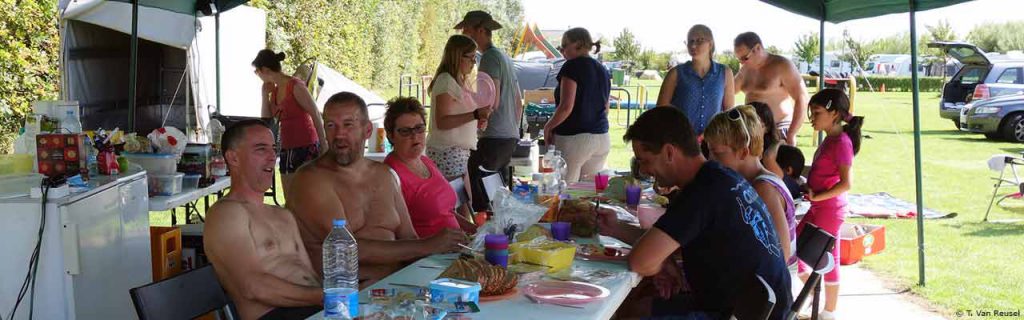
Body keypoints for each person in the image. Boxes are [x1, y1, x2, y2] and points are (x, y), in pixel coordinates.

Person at [601, 107, 792, 319]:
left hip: (738, 314)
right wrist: (615, 228)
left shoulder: (702, 192)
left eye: (645, 160)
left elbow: (641, 262)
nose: (644, 170)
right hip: (756, 308)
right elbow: (660, 243)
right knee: (637, 299)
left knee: (630, 308)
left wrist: (661, 260)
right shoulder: (719, 178)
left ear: (669, 152)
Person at [287, 92, 467, 286]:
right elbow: (345, 250)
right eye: (331, 125)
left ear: (367, 130)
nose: (339, 134)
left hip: (399, 286)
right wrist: (428, 245)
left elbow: (409, 238)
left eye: (348, 124)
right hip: (345, 294)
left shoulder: (385, 175)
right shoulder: (312, 179)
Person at [204, 120, 321, 320]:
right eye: (261, 149)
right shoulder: (226, 214)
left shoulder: (283, 215)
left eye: (273, 149)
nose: (272, 157)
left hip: (318, 308)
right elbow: (252, 287)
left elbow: (310, 275)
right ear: (233, 158)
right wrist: (326, 297)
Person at [798, 88, 864, 320]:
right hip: (819, 206)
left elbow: (846, 183)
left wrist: (818, 197)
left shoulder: (842, 142)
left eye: (816, 112)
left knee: (828, 258)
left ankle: (828, 312)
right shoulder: (829, 139)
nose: (812, 118)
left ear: (834, 113)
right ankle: (811, 300)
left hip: (829, 210)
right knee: (799, 247)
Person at [704, 105, 796, 266]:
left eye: (717, 153)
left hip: (771, 285)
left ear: (743, 152)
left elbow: (781, 255)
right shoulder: (747, 182)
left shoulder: (763, 189)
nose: (710, 159)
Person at [457, 10, 524, 212]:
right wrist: (513, 130)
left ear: (479, 30)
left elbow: (490, 100)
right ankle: (498, 235)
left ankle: (484, 233)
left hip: (494, 137)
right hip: (508, 136)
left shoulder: (489, 58)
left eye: (467, 31)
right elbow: (518, 102)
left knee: (482, 193)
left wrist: (479, 121)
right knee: (497, 197)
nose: (464, 35)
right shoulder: (504, 57)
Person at [382, 97, 477, 237]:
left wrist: (475, 230)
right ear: (391, 136)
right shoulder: (390, 174)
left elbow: (446, 212)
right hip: (429, 255)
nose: (415, 136)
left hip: (457, 247)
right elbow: (398, 234)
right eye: (405, 131)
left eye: (419, 128)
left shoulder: (426, 161)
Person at [253, 49, 328, 198]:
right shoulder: (274, 91)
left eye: (257, 72)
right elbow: (267, 121)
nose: (257, 76)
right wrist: (264, 95)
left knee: (308, 195)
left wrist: (324, 144)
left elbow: (315, 114)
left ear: (265, 70)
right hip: (287, 147)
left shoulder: (295, 85)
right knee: (290, 197)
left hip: (306, 145)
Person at [543, 27, 611, 183]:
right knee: (589, 193)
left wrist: (548, 127)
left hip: (575, 139)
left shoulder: (572, 66)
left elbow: (566, 106)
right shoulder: (602, 69)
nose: (561, 50)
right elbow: (606, 107)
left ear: (578, 44)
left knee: (565, 191)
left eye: (564, 45)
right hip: (602, 137)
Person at [426, 35, 494, 181]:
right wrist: (475, 115)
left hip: (458, 153)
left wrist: (477, 120)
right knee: (461, 202)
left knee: (465, 202)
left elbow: (461, 116)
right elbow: (443, 122)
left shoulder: (460, 81)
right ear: (458, 57)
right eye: (471, 57)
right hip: (446, 153)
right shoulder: (446, 81)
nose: (473, 62)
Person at [656, 24, 735, 135]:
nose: (693, 45)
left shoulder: (725, 73)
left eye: (699, 40)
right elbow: (660, 110)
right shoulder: (675, 74)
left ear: (710, 44)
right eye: (690, 41)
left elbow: (729, 114)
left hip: (714, 143)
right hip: (680, 141)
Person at [733, 32, 809, 146]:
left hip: (779, 129)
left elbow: (802, 98)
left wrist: (791, 134)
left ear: (757, 48)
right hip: (752, 131)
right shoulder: (744, 70)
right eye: (739, 60)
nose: (742, 63)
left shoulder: (782, 65)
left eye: (745, 58)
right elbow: (727, 92)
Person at [749, 101, 786, 179]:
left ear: (767, 128)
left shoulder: (774, 152)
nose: (749, 129)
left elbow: (780, 179)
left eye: (755, 125)